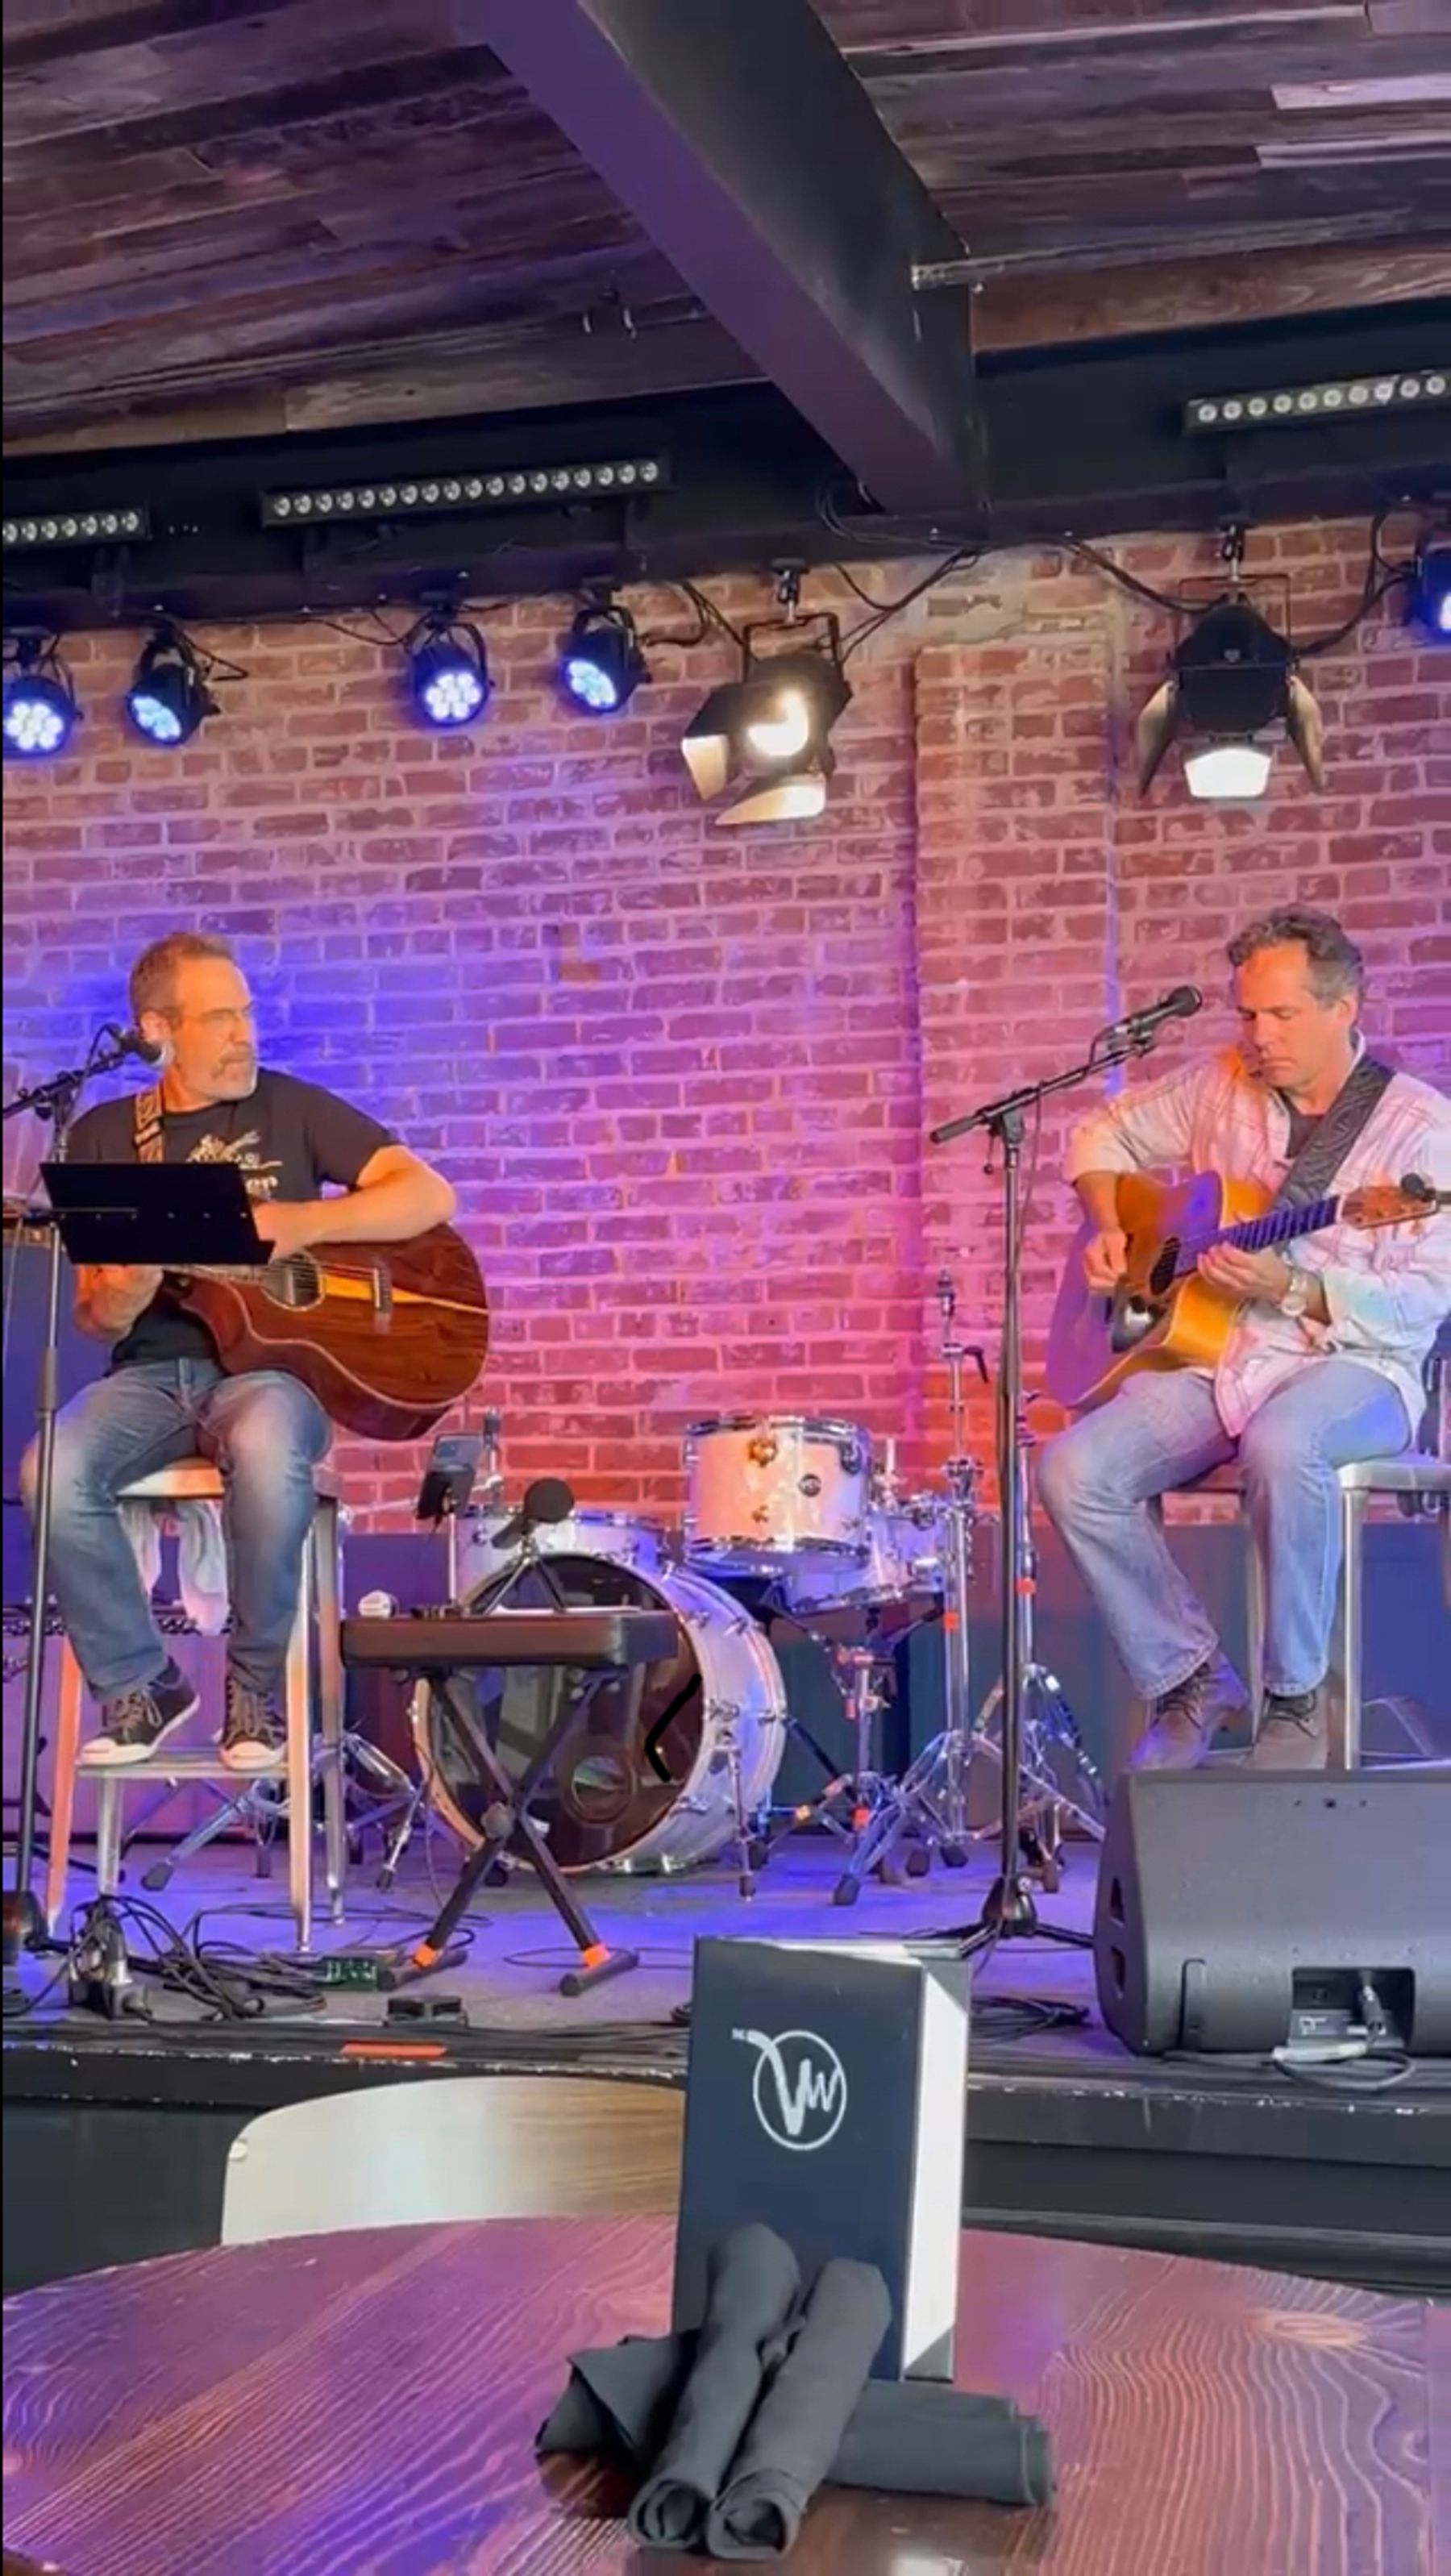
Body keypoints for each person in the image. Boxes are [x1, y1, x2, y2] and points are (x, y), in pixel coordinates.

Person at [21, 934, 456, 1771]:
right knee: (53, 1469)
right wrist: (133, 1282)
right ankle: (142, 1684)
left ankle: (255, 1691)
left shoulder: (292, 1108)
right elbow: (99, 1318)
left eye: (245, 1014)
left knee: (262, 1444)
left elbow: (428, 1194)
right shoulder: (110, 1135)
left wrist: (295, 1225)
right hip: (149, 1377)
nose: (244, 1034)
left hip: (270, 1376)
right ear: (157, 1031)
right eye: (220, 1018)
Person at [1037, 907, 1450, 1771]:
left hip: (1358, 1367)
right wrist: (1111, 1223)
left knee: (1285, 1440)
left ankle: (1295, 1699)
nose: (1259, 1037)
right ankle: (1190, 1676)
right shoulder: (1218, 1084)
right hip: (1224, 1356)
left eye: (1283, 1015)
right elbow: (1099, 1135)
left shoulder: (1419, 1133)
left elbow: (1427, 1298)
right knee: (1076, 1469)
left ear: (1344, 1006)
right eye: (1248, 1014)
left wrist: (1297, 1285)